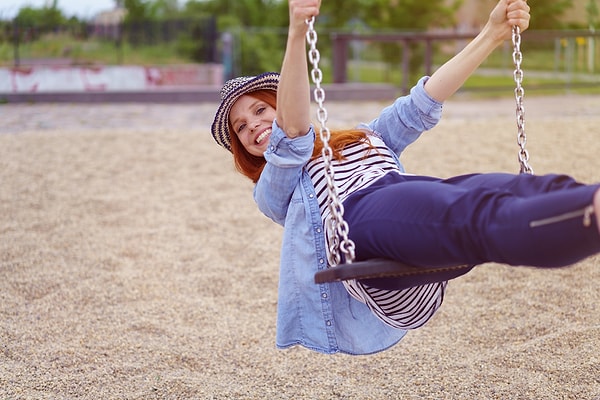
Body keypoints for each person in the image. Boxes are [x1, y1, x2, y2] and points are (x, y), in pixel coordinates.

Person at [211, 0, 600, 355]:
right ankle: (589, 214)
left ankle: (588, 204)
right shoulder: (274, 188)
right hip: (359, 226)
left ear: (277, 104)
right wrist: (297, 31)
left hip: (407, 214)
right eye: (242, 128)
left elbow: (423, 101)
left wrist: (492, 34)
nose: (254, 127)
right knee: (474, 213)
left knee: (514, 188)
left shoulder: (364, 135)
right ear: (243, 149)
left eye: (261, 111)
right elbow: (293, 135)